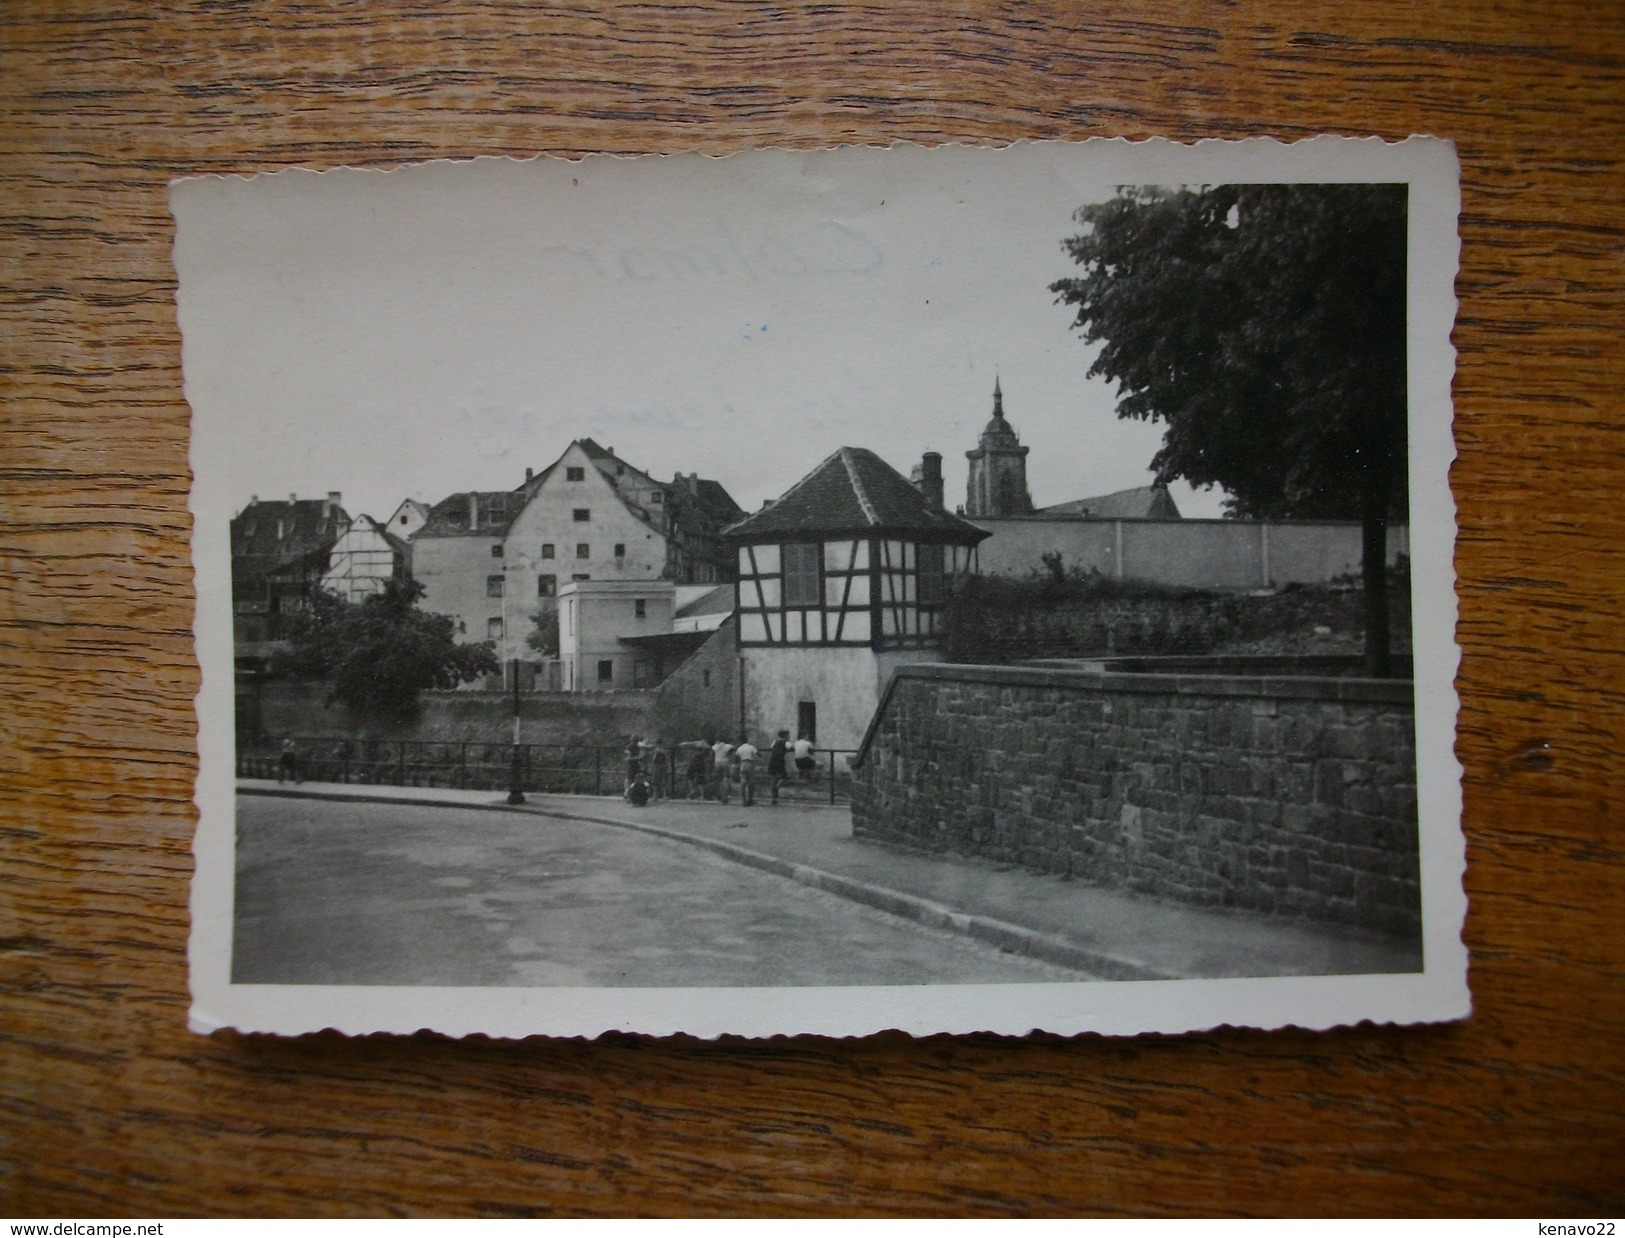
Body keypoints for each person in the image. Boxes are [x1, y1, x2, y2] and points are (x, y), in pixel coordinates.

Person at [767, 730, 791, 805]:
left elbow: (771, 748)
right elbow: (791, 747)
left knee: (773, 779)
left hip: (772, 761)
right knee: (784, 777)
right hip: (780, 761)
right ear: (786, 736)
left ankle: (773, 798)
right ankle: (777, 786)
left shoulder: (775, 742)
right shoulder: (786, 742)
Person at [735, 737, 759, 806]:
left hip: (742, 763)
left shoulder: (739, 748)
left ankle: (743, 800)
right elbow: (758, 753)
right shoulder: (751, 747)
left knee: (743, 782)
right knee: (751, 782)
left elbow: (736, 757)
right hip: (750, 764)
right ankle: (750, 799)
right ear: (747, 740)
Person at [710, 737, 735, 803]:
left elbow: (711, 755)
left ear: (716, 740)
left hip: (717, 763)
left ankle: (718, 794)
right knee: (726, 779)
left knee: (717, 780)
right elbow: (732, 750)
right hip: (725, 762)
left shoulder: (714, 746)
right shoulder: (727, 746)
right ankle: (725, 796)